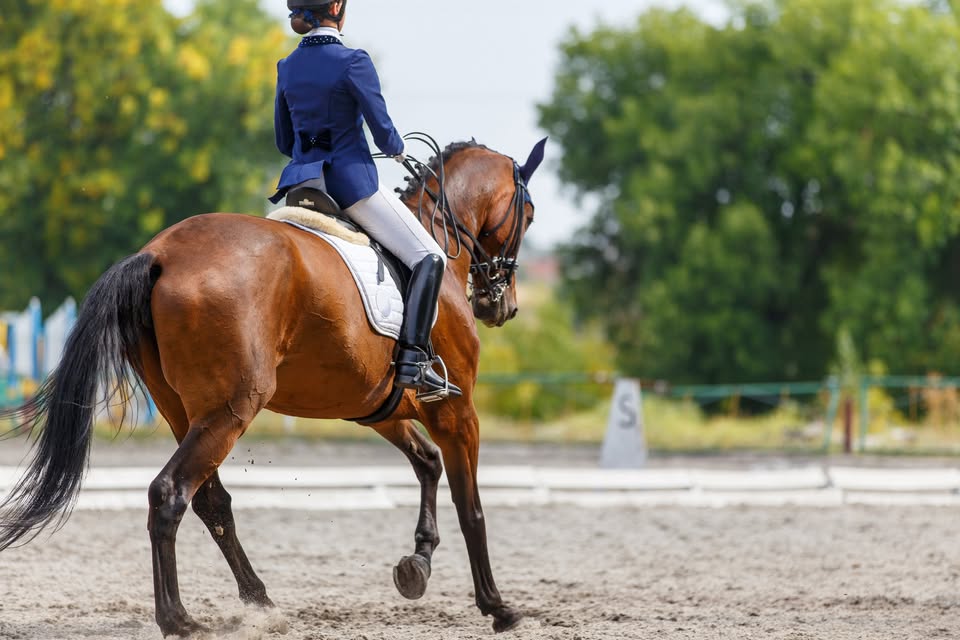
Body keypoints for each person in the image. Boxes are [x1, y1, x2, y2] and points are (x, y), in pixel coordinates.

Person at [271, 0, 461, 399]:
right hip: (350, 187)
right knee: (430, 258)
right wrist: (396, 148)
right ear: (337, 7)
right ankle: (414, 362)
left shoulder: (286, 67)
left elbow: (284, 141)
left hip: (303, 186)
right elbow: (383, 130)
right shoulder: (354, 61)